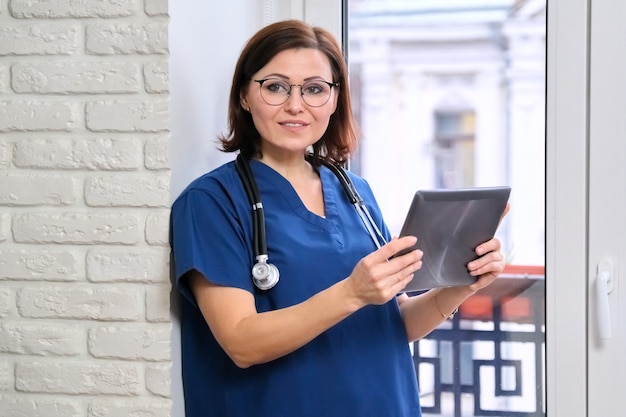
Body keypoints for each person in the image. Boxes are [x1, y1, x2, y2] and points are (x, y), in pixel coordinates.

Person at [170, 19, 507, 417]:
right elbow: (242, 342)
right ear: (245, 95)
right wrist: (352, 292)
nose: (296, 106)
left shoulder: (356, 193)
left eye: (314, 89)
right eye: (275, 87)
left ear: (333, 100)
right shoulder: (212, 202)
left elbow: (392, 324)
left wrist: (461, 285)